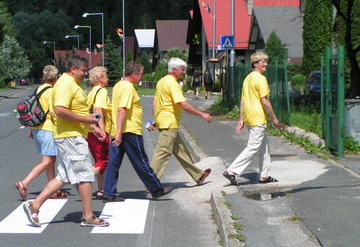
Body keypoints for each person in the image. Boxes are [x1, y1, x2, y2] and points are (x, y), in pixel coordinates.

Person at [23, 54, 109, 227]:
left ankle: (35, 205)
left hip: (71, 134)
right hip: (71, 137)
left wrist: (93, 127)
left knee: (64, 176)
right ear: (73, 69)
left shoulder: (69, 83)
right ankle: (88, 216)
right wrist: (87, 121)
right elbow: (60, 110)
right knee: (84, 176)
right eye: (83, 71)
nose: (85, 74)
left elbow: (76, 111)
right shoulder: (65, 84)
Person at [102, 61, 172, 202]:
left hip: (118, 130)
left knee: (113, 162)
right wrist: (121, 133)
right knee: (141, 161)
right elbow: (122, 109)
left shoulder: (118, 85)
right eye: (141, 74)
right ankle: (156, 189)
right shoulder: (128, 88)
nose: (141, 76)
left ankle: (108, 192)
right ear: (134, 74)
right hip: (129, 131)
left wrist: (118, 132)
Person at [150, 57, 212, 186]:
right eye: (182, 69)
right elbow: (183, 105)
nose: (184, 72)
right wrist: (202, 114)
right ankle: (150, 182)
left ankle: (198, 175)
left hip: (164, 121)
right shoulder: (173, 83)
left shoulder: (161, 81)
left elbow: (155, 102)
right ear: (174, 70)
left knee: (181, 150)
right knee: (163, 152)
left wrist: (155, 119)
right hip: (169, 122)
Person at [223, 52, 280, 186]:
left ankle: (265, 176)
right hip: (257, 117)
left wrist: (241, 118)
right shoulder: (260, 79)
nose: (266, 64)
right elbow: (265, 101)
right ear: (255, 64)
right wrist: (274, 118)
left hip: (250, 116)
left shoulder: (247, 78)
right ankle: (231, 171)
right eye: (263, 62)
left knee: (264, 147)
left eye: (266, 61)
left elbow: (242, 100)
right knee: (253, 147)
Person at [15, 65, 67, 200]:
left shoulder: (39, 89)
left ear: (44, 77)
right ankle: (24, 183)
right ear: (56, 77)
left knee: (50, 161)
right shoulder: (51, 92)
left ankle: (53, 190)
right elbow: (52, 113)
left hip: (38, 129)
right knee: (46, 161)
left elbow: (36, 110)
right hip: (48, 130)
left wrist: (32, 128)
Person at [87, 66, 112, 199]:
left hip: (90, 132)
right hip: (98, 131)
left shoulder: (91, 92)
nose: (107, 78)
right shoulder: (101, 91)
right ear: (99, 78)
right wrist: (102, 130)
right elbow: (98, 110)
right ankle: (82, 180)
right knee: (105, 160)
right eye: (106, 75)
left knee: (99, 160)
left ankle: (101, 189)